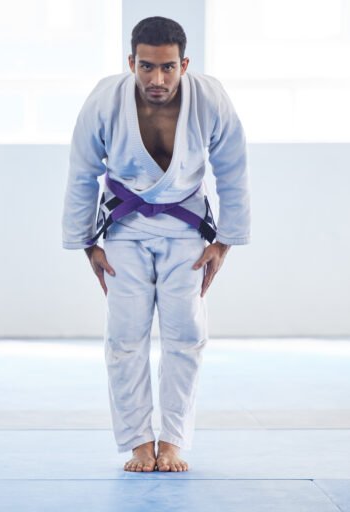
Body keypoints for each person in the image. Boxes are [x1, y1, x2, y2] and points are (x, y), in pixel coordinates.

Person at [62, 16, 250, 472]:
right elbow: (82, 171)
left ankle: (173, 441)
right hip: (124, 229)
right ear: (131, 62)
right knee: (125, 337)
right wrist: (87, 243)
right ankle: (138, 442)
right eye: (146, 67)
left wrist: (224, 241)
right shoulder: (105, 100)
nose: (157, 79)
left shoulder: (210, 99)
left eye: (168, 67)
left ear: (184, 64)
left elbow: (233, 168)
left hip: (187, 229)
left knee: (186, 334)